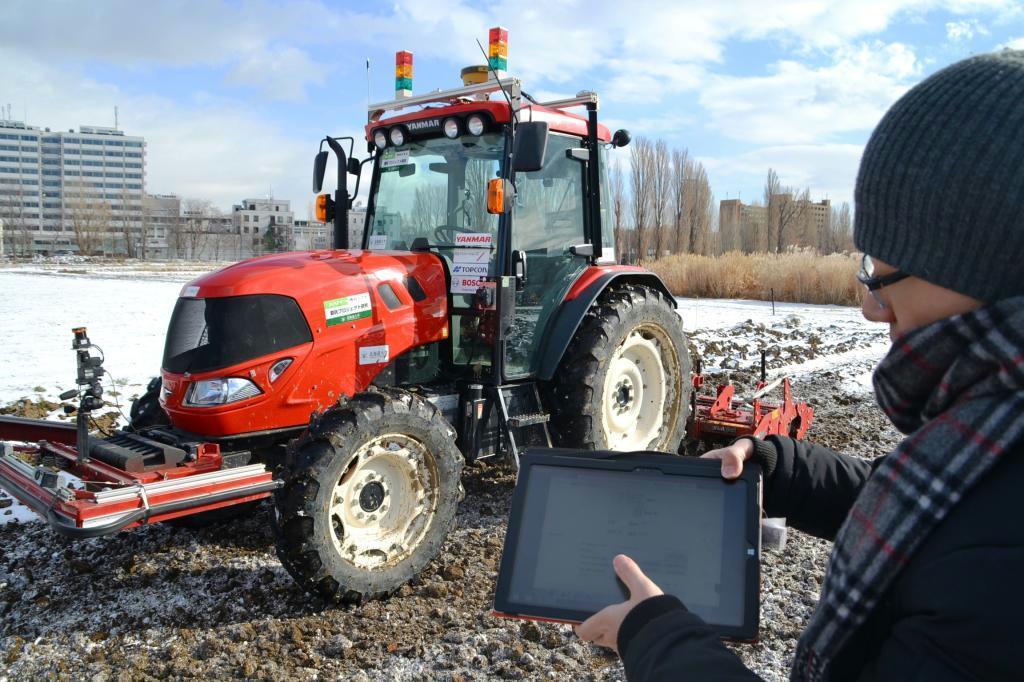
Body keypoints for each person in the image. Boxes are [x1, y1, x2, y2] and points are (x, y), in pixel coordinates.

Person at [575, 49, 1024, 680]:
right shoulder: (993, 442)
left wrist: (655, 637)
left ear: (981, 261)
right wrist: (778, 468)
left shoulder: (1003, 576)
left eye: (882, 269)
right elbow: (943, 520)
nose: (871, 308)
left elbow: (974, 549)